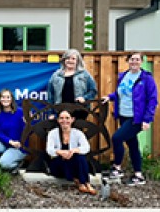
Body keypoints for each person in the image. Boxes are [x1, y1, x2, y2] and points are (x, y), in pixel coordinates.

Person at [102, 52, 158, 186]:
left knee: (117, 138)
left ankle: (117, 168)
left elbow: (152, 100)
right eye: (132, 59)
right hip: (123, 115)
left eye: (137, 59)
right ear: (128, 61)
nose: (134, 62)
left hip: (136, 118)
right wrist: (110, 97)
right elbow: (121, 92)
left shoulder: (146, 78)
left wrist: (147, 119)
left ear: (141, 61)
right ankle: (138, 175)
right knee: (132, 144)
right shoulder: (124, 76)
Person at [46, 110, 97, 195]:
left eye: (67, 118)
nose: (64, 120)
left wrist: (74, 151)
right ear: (58, 120)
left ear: (72, 119)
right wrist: (60, 152)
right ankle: (81, 182)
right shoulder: (53, 133)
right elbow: (49, 150)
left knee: (80, 157)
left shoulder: (78, 133)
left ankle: (86, 183)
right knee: (66, 161)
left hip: (73, 160)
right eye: (61, 118)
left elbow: (86, 147)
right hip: (59, 163)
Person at [0, 89, 27, 173]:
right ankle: (4, 159)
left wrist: (27, 123)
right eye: (3, 97)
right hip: (6, 144)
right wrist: (10, 142)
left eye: (8, 97)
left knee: (4, 164)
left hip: (20, 146)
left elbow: (29, 131)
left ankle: (17, 164)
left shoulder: (21, 112)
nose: (5, 99)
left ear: (12, 99)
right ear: (0, 99)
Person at [47, 48, 97, 119]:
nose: (70, 61)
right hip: (60, 111)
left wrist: (84, 98)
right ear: (64, 60)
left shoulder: (85, 74)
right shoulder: (55, 76)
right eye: (68, 58)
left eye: (73, 59)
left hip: (80, 110)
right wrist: (51, 113)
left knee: (77, 130)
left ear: (78, 61)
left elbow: (93, 90)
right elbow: (50, 96)